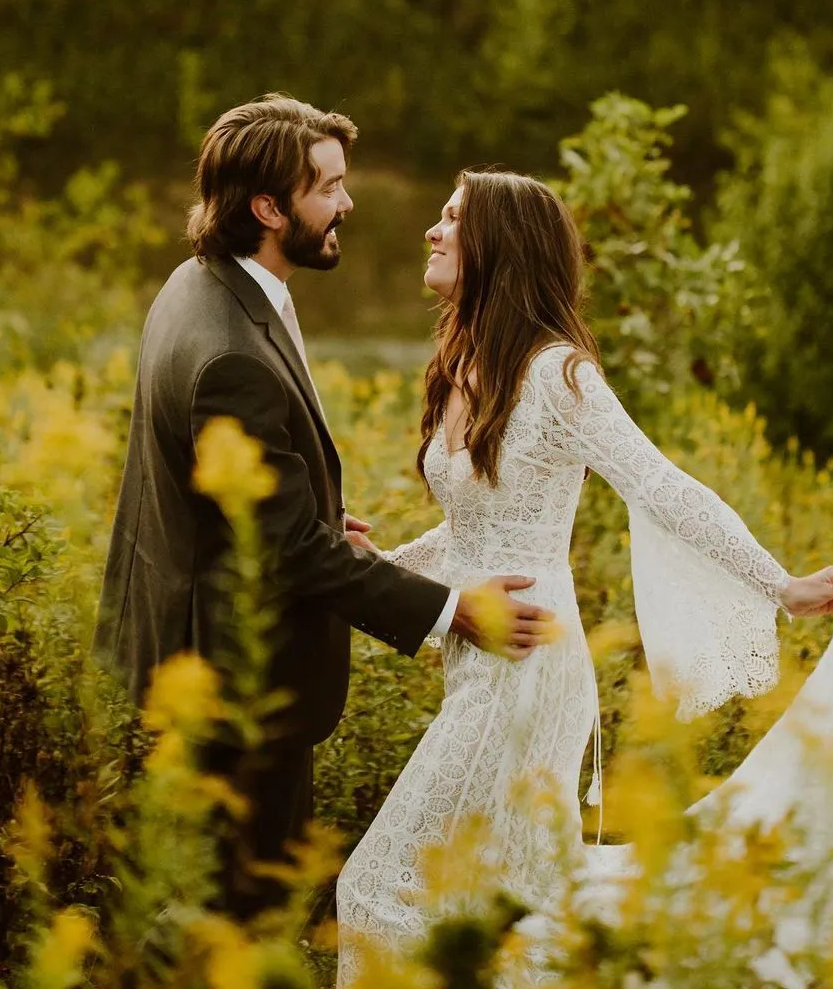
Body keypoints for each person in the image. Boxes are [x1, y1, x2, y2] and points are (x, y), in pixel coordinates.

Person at [334, 171, 833, 986]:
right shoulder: (459, 367)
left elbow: (663, 487)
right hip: (477, 661)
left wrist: (781, 586)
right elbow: (470, 538)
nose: (431, 230)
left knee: (379, 887)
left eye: (453, 218)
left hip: (528, 669)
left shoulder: (558, 377)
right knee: (515, 908)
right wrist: (366, 570)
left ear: (501, 246)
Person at [93, 99, 558, 918]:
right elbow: (293, 558)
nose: (347, 205)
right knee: (243, 929)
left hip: (190, 658)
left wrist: (298, 514)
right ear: (269, 209)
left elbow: (216, 494)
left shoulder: (199, 289)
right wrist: (454, 612)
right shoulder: (231, 353)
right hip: (236, 693)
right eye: (329, 189)